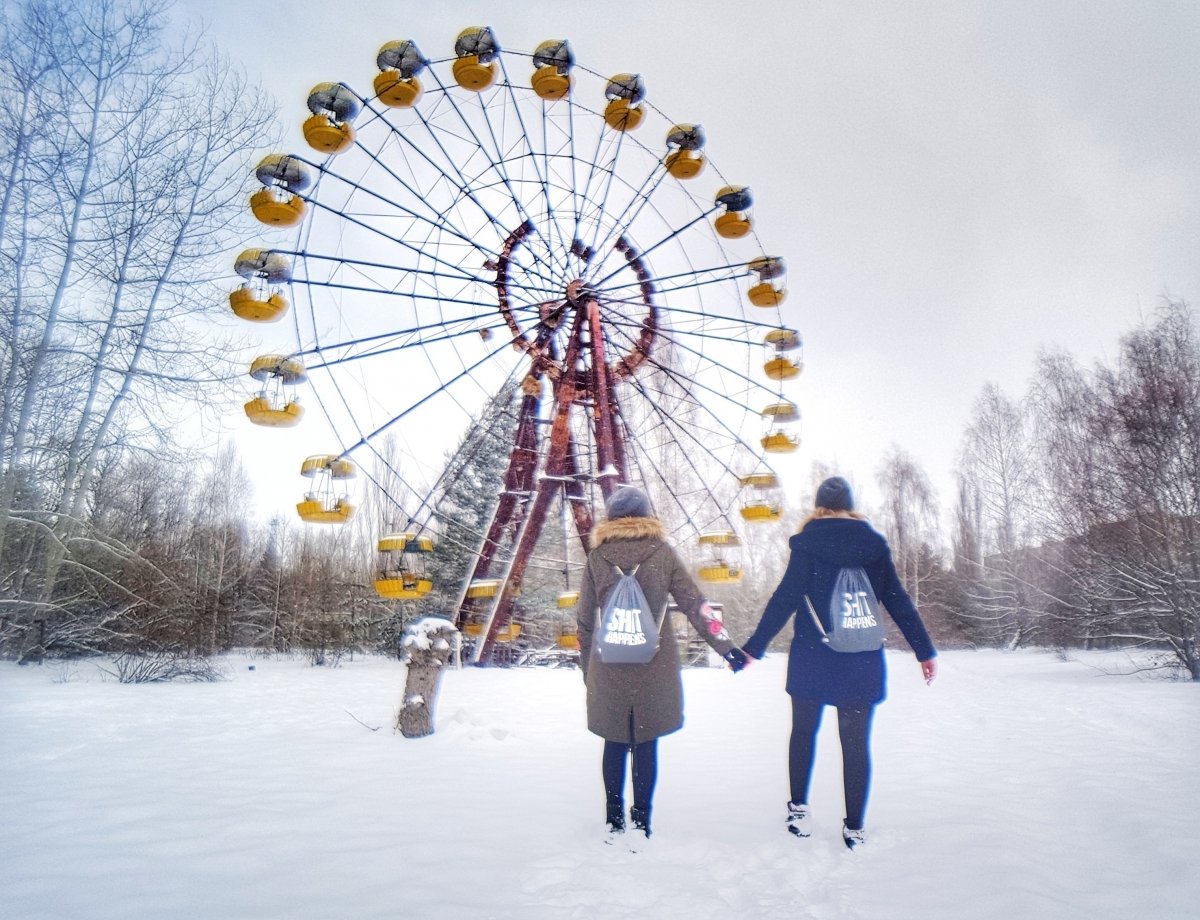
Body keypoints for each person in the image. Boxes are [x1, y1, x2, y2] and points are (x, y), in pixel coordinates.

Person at [740, 476, 937, 849]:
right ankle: (855, 827)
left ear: (818, 507)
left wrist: (754, 647)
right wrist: (923, 650)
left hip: (813, 656)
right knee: (856, 744)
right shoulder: (873, 545)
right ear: (850, 505)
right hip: (861, 659)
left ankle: (799, 809)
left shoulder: (808, 543)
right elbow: (898, 600)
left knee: (803, 733)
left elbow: (784, 598)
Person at [576, 486, 746, 843]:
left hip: (608, 663)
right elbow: (695, 604)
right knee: (646, 743)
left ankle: (613, 820)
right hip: (654, 663)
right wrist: (726, 647)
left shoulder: (596, 558)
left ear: (610, 520)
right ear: (647, 515)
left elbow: (585, 621)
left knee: (614, 741)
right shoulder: (663, 553)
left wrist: (587, 669)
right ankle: (642, 822)